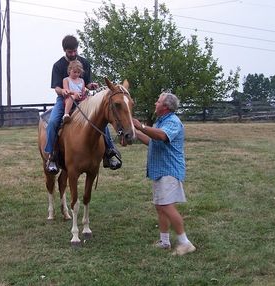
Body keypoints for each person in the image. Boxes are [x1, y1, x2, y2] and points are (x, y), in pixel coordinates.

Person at [45, 35, 122, 174]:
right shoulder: (58, 65)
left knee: (100, 120)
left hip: (83, 100)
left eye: (75, 51)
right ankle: (52, 156)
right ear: (64, 50)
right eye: (70, 52)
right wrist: (64, 91)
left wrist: (90, 86)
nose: (73, 54)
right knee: (52, 123)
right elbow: (56, 88)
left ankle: (109, 151)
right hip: (65, 100)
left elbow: (85, 84)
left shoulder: (84, 63)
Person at [132, 92, 196, 256]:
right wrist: (135, 133)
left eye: (158, 101)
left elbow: (161, 136)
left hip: (169, 170)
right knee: (160, 206)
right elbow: (153, 142)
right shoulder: (162, 121)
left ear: (165, 106)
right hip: (160, 170)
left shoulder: (173, 122)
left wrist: (141, 127)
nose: (155, 103)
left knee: (166, 206)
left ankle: (185, 242)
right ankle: (165, 241)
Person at [62, 60, 86, 124]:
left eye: (78, 72)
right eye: (74, 72)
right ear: (69, 70)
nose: (76, 74)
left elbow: (83, 91)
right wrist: (74, 93)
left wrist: (83, 94)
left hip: (80, 98)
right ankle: (66, 114)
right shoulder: (66, 80)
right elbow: (66, 90)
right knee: (72, 97)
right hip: (69, 98)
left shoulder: (81, 80)